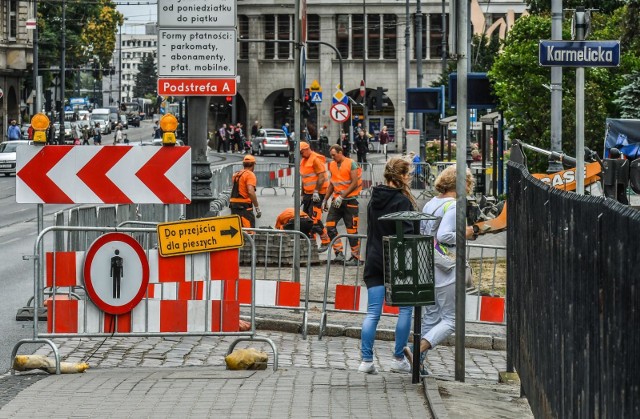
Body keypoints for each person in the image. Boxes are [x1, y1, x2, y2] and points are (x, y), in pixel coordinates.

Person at [403, 165, 475, 374]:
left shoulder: (431, 203)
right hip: (447, 266)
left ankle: (418, 364)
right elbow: (445, 236)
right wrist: (467, 232)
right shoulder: (453, 206)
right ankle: (418, 350)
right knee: (453, 319)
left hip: (429, 263)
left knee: (432, 315)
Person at [359, 157, 418, 375]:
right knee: (405, 309)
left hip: (374, 258)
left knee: (373, 312)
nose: (409, 177)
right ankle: (398, 358)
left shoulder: (375, 198)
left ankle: (366, 361)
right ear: (401, 176)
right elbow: (408, 234)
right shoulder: (402, 201)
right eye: (408, 174)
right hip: (397, 261)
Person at [323, 145, 363, 266]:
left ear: (341, 152)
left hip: (350, 202)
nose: (332, 157)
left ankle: (356, 257)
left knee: (352, 231)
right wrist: (325, 199)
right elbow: (332, 183)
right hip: (337, 201)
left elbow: (355, 182)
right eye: (331, 155)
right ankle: (339, 253)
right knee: (329, 225)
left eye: (334, 155)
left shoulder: (351, 163)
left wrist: (342, 196)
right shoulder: (332, 165)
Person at [299, 141, 331, 252]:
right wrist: (302, 194)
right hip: (308, 194)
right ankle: (311, 244)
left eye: (302, 152)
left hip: (317, 194)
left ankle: (326, 240)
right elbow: (304, 179)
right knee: (306, 220)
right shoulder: (303, 161)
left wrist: (316, 191)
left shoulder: (315, 159)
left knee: (314, 220)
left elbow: (321, 177)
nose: (301, 154)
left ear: (307, 149)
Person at [229, 154, 261, 229]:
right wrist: (257, 207)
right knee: (248, 231)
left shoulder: (237, 174)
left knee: (236, 230)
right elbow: (250, 191)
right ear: (253, 165)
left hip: (234, 205)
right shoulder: (250, 175)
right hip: (244, 207)